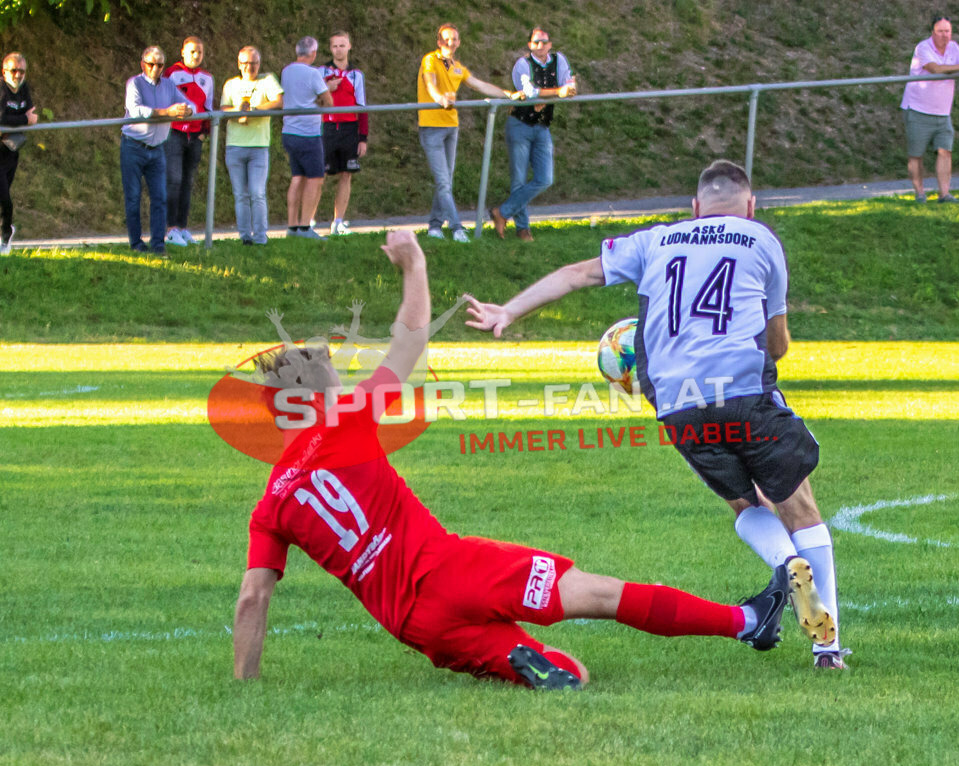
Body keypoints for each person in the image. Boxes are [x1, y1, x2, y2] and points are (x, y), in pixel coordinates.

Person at [232, 229, 799, 688]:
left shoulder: (270, 508)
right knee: (600, 595)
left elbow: (253, 597)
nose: (340, 377)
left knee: (562, 671)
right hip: (456, 569)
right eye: (329, 375)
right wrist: (415, 266)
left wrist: (247, 683)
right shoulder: (345, 423)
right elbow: (409, 340)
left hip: (415, 625)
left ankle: (529, 662)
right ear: (310, 401)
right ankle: (748, 621)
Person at [465, 160, 847, 669]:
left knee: (744, 504)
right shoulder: (760, 240)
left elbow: (578, 273)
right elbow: (775, 343)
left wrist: (508, 311)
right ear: (750, 206)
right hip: (744, 392)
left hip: (678, 404)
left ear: (693, 208)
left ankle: (784, 562)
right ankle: (827, 647)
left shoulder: (656, 241)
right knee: (800, 506)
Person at [417, 23, 517, 243]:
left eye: (454, 39)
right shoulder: (430, 60)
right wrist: (440, 99)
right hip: (431, 127)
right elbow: (430, 84)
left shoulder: (458, 67)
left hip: (451, 126)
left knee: (446, 181)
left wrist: (508, 94)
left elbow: (479, 85)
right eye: (446, 39)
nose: (450, 43)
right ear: (439, 42)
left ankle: (434, 226)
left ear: (458, 42)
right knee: (443, 182)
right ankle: (456, 228)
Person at [490, 27, 576, 243]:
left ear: (550, 44)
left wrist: (566, 89)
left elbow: (569, 84)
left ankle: (502, 212)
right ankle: (523, 229)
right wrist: (557, 93)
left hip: (542, 125)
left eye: (544, 42)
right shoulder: (523, 64)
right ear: (529, 45)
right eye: (536, 42)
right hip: (519, 124)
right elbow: (530, 92)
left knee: (545, 178)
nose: (540, 46)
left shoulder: (560, 60)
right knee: (518, 179)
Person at [899, 15, 959, 203]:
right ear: (933, 32)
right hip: (918, 110)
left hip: (943, 113)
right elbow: (935, 69)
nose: (945, 35)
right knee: (916, 155)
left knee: (945, 151)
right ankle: (920, 194)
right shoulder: (923, 47)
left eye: (948, 31)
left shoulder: (953, 47)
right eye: (941, 31)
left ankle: (944, 194)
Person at [121, 46, 192, 254]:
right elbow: (137, 111)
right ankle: (136, 244)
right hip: (133, 146)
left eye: (160, 65)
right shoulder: (134, 83)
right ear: (143, 64)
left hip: (157, 148)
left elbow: (190, 105)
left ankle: (158, 245)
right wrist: (167, 112)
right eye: (151, 64)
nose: (155, 68)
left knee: (160, 197)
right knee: (133, 197)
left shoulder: (169, 86)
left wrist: (186, 110)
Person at [221, 46, 283, 245]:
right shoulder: (230, 85)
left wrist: (255, 109)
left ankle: (260, 236)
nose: (250, 67)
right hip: (235, 145)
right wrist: (237, 110)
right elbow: (223, 108)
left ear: (259, 63)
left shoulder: (267, 81)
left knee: (257, 193)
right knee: (240, 194)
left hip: (258, 146)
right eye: (246, 63)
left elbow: (278, 101)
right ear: (239, 64)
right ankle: (244, 236)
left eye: (254, 63)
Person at [162, 37, 214, 247]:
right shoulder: (172, 73)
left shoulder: (207, 78)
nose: (196, 56)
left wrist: (204, 133)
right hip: (174, 133)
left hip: (195, 136)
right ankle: (169, 228)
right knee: (173, 179)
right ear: (183, 52)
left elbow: (208, 107)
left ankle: (182, 227)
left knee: (187, 181)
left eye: (199, 52)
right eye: (192, 52)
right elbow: (165, 101)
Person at [317, 31, 368, 237]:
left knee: (346, 175)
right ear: (330, 49)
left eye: (342, 45)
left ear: (349, 46)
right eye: (335, 46)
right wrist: (327, 88)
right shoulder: (321, 71)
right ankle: (308, 220)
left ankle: (338, 221)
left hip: (349, 130)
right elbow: (314, 99)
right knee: (318, 175)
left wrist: (362, 137)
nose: (339, 49)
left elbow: (362, 106)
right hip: (327, 128)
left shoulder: (357, 74)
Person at [281, 36, 331, 239]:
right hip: (308, 133)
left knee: (297, 177)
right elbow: (329, 102)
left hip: (289, 131)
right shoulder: (313, 73)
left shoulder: (286, 70)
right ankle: (305, 227)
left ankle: (292, 227)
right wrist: (328, 90)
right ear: (313, 54)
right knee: (315, 179)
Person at [0, 52, 36, 256]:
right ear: (4, 71)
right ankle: (5, 236)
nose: (18, 74)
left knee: (3, 197)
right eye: (14, 70)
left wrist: (23, 118)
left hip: (11, 152)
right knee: (5, 199)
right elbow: (2, 117)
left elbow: (32, 113)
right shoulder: (1, 89)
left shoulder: (23, 89)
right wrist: (24, 119)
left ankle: (3, 237)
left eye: (22, 71)